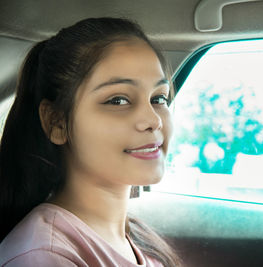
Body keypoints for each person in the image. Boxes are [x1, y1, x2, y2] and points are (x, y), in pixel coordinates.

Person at [0, 17, 181, 266]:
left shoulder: (136, 238)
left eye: (159, 98)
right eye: (118, 100)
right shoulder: (45, 256)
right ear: (57, 123)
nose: (153, 120)